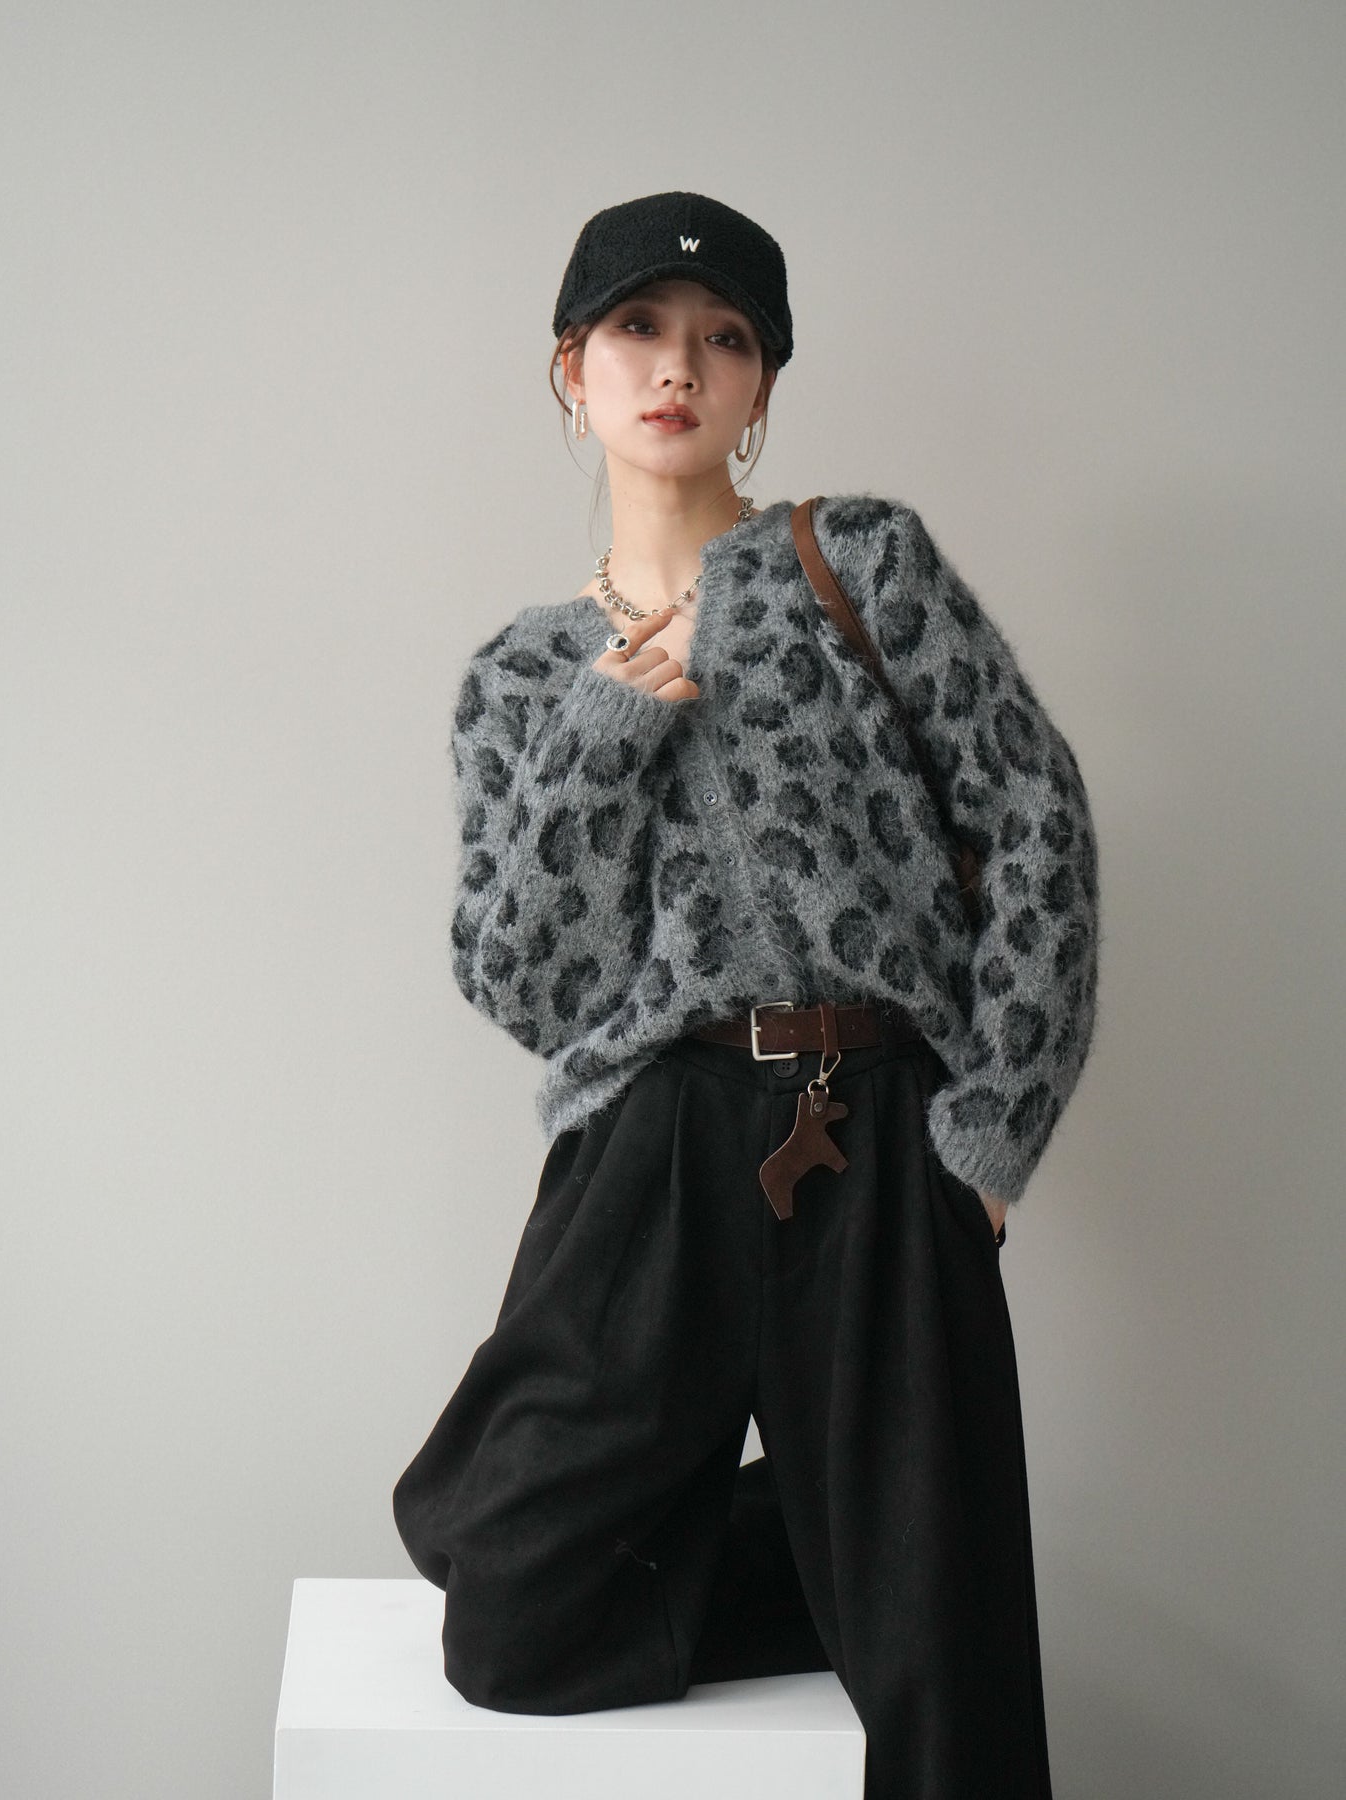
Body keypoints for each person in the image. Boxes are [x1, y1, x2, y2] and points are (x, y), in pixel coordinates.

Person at [393, 189, 1100, 1800]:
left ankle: (906, 1544)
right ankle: (887, 1530)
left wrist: (993, 1131)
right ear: (570, 367)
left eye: (723, 340)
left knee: (939, 1671)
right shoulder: (521, 677)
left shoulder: (858, 562)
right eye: (637, 329)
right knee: (513, 1601)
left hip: (881, 1118)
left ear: (762, 383)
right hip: (652, 1138)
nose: (677, 367)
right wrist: (599, 740)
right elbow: (525, 982)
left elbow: (1031, 818)